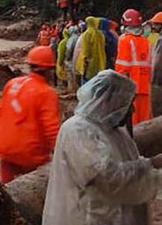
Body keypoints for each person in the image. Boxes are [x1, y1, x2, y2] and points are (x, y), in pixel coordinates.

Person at [42, 70, 162, 225]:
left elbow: (127, 161)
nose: (132, 110)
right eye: (127, 104)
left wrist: (152, 164)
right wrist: (152, 165)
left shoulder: (116, 131)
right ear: (110, 102)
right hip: (86, 218)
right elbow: (106, 177)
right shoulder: (78, 130)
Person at [0, 46, 60, 183]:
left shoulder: (12, 84)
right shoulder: (46, 92)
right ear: (49, 70)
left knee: (6, 191)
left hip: (5, 148)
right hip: (30, 154)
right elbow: (52, 130)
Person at [116, 9, 152, 125]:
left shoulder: (124, 40)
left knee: (133, 122)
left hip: (131, 87)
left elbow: (122, 67)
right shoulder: (145, 41)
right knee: (145, 121)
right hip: (145, 86)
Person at [74, 16, 106, 84]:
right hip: (100, 62)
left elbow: (86, 51)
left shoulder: (86, 34)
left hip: (89, 64)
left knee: (87, 85)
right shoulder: (100, 34)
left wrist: (84, 64)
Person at [64, 23, 81, 92]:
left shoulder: (72, 39)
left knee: (71, 76)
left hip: (71, 60)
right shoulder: (80, 37)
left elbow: (69, 50)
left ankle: (72, 90)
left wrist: (66, 59)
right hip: (79, 60)